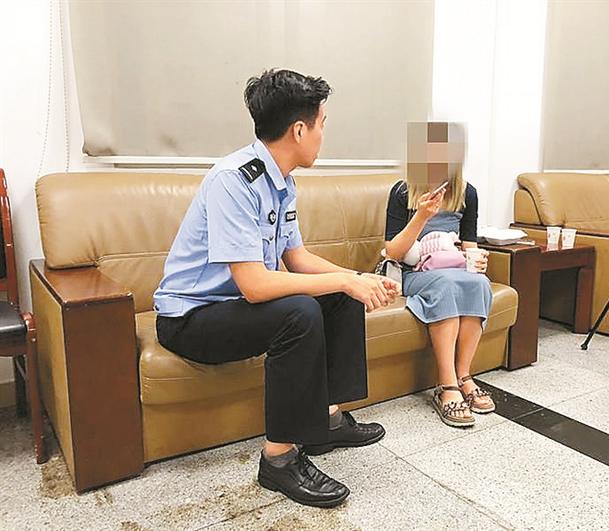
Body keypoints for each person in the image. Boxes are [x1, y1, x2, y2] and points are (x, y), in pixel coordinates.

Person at [153, 69, 400, 508]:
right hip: (190, 319)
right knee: (300, 312)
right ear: (299, 130)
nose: (323, 134)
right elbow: (253, 285)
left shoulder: (282, 181)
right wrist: (345, 279)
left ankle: (326, 422)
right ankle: (279, 460)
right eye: (322, 124)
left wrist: (356, 279)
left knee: (339, 294)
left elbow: (297, 258)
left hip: (233, 308)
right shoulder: (233, 180)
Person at [384, 121, 495, 428]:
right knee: (446, 284)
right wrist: (421, 216)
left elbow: (469, 246)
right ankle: (446, 385)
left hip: (453, 268)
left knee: (479, 283)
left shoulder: (467, 193)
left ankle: (464, 376)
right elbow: (393, 252)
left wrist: (478, 259)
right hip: (415, 272)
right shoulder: (402, 191)